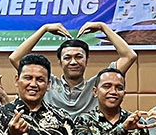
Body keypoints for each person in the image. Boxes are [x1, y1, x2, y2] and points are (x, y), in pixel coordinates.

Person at [9, 21, 137, 119]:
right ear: (60, 62)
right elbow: (15, 58)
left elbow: (129, 56)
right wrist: (44, 28)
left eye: (79, 57)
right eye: (67, 57)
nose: (73, 62)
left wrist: (103, 27)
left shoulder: (99, 85)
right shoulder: (46, 83)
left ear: (87, 60)